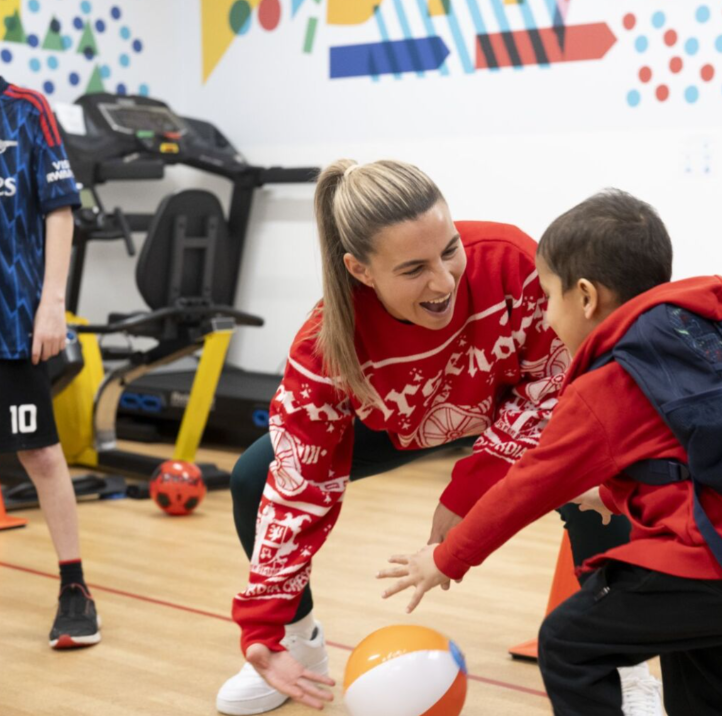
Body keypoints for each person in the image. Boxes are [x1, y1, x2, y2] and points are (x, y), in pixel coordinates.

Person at [218, 161, 662, 715]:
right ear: (360, 270)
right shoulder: (324, 344)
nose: (445, 281)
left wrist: (469, 490)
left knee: (594, 467)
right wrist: (263, 621)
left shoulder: (512, 263)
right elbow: (297, 483)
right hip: (397, 422)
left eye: (450, 249)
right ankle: (297, 644)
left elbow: (554, 386)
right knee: (254, 475)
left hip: (502, 408)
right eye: (413, 269)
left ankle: (624, 662)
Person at [379, 189, 722, 715]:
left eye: (548, 296)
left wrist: (444, 559)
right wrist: (614, 495)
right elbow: (707, 458)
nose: (547, 315)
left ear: (585, 296)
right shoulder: (706, 336)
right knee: (704, 701)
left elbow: (526, 487)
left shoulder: (608, 382)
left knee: (569, 644)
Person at [0, 77, 99, 649]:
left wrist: (52, 304)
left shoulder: (25, 108)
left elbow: (59, 210)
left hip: (12, 320)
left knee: (38, 453)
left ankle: (75, 590)